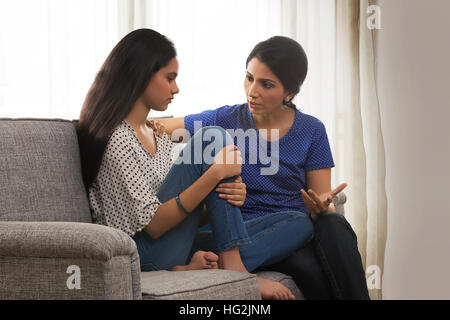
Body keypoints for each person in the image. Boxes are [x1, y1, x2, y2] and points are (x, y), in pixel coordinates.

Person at [76, 29, 315, 300]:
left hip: (171, 244)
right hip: (138, 253)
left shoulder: (156, 133)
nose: (176, 89)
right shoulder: (117, 138)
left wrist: (223, 194)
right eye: (169, 78)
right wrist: (213, 176)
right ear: (140, 75)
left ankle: (217, 263)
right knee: (212, 136)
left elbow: (182, 211)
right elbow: (153, 225)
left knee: (299, 222)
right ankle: (234, 270)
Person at [148, 35, 370, 299]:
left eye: (266, 84)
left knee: (326, 226)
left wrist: (322, 206)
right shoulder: (227, 119)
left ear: (290, 92)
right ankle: (228, 264)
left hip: (288, 231)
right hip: (233, 231)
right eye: (249, 78)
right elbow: (161, 128)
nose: (252, 91)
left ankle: (219, 266)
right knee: (307, 262)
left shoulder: (312, 130)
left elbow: (322, 200)